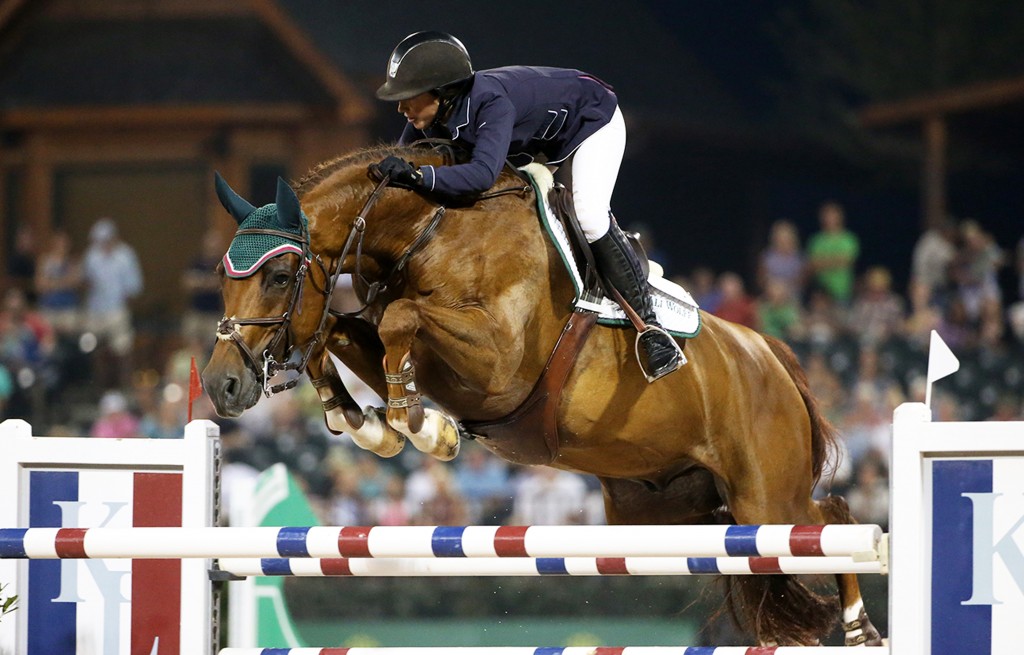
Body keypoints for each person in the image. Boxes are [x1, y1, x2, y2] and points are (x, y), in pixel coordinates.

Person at [372, 31, 682, 381]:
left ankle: (652, 329)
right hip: (539, 146)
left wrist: (417, 177)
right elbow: (400, 163)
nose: (400, 108)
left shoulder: (490, 102)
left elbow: (480, 176)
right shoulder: (433, 114)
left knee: (589, 215)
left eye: (408, 98)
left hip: (592, 121)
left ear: (442, 93)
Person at [82, 218, 143, 389]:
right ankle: (100, 388)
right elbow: (86, 282)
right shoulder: (91, 256)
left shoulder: (126, 256)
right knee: (94, 349)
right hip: (95, 311)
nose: (103, 244)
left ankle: (125, 388)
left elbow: (134, 287)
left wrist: (124, 309)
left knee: (123, 350)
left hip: (117, 310)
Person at [806, 201, 859, 305]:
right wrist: (835, 260)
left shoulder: (849, 239)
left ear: (840, 217)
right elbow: (812, 264)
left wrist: (823, 262)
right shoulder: (816, 240)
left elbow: (846, 261)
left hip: (842, 290)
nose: (830, 219)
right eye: (826, 216)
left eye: (833, 216)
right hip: (820, 292)